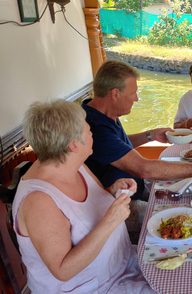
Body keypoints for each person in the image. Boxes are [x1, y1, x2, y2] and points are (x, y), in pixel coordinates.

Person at [12, 100, 155, 293]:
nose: (91, 134)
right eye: (88, 130)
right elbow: (63, 269)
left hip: (122, 264)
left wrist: (112, 191)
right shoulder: (39, 201)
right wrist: (111, 221)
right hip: (92, 288)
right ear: (73, 145)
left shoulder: (73, 163)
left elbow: (84, 208)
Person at [82, 60, 192, 201]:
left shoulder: (101, 114)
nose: (136, 99)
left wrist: (150, 136)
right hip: (118, 203)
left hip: (136, 189)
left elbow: (117, 146)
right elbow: (144, 169)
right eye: (133, 93)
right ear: (115, 94)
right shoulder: (95, 127)